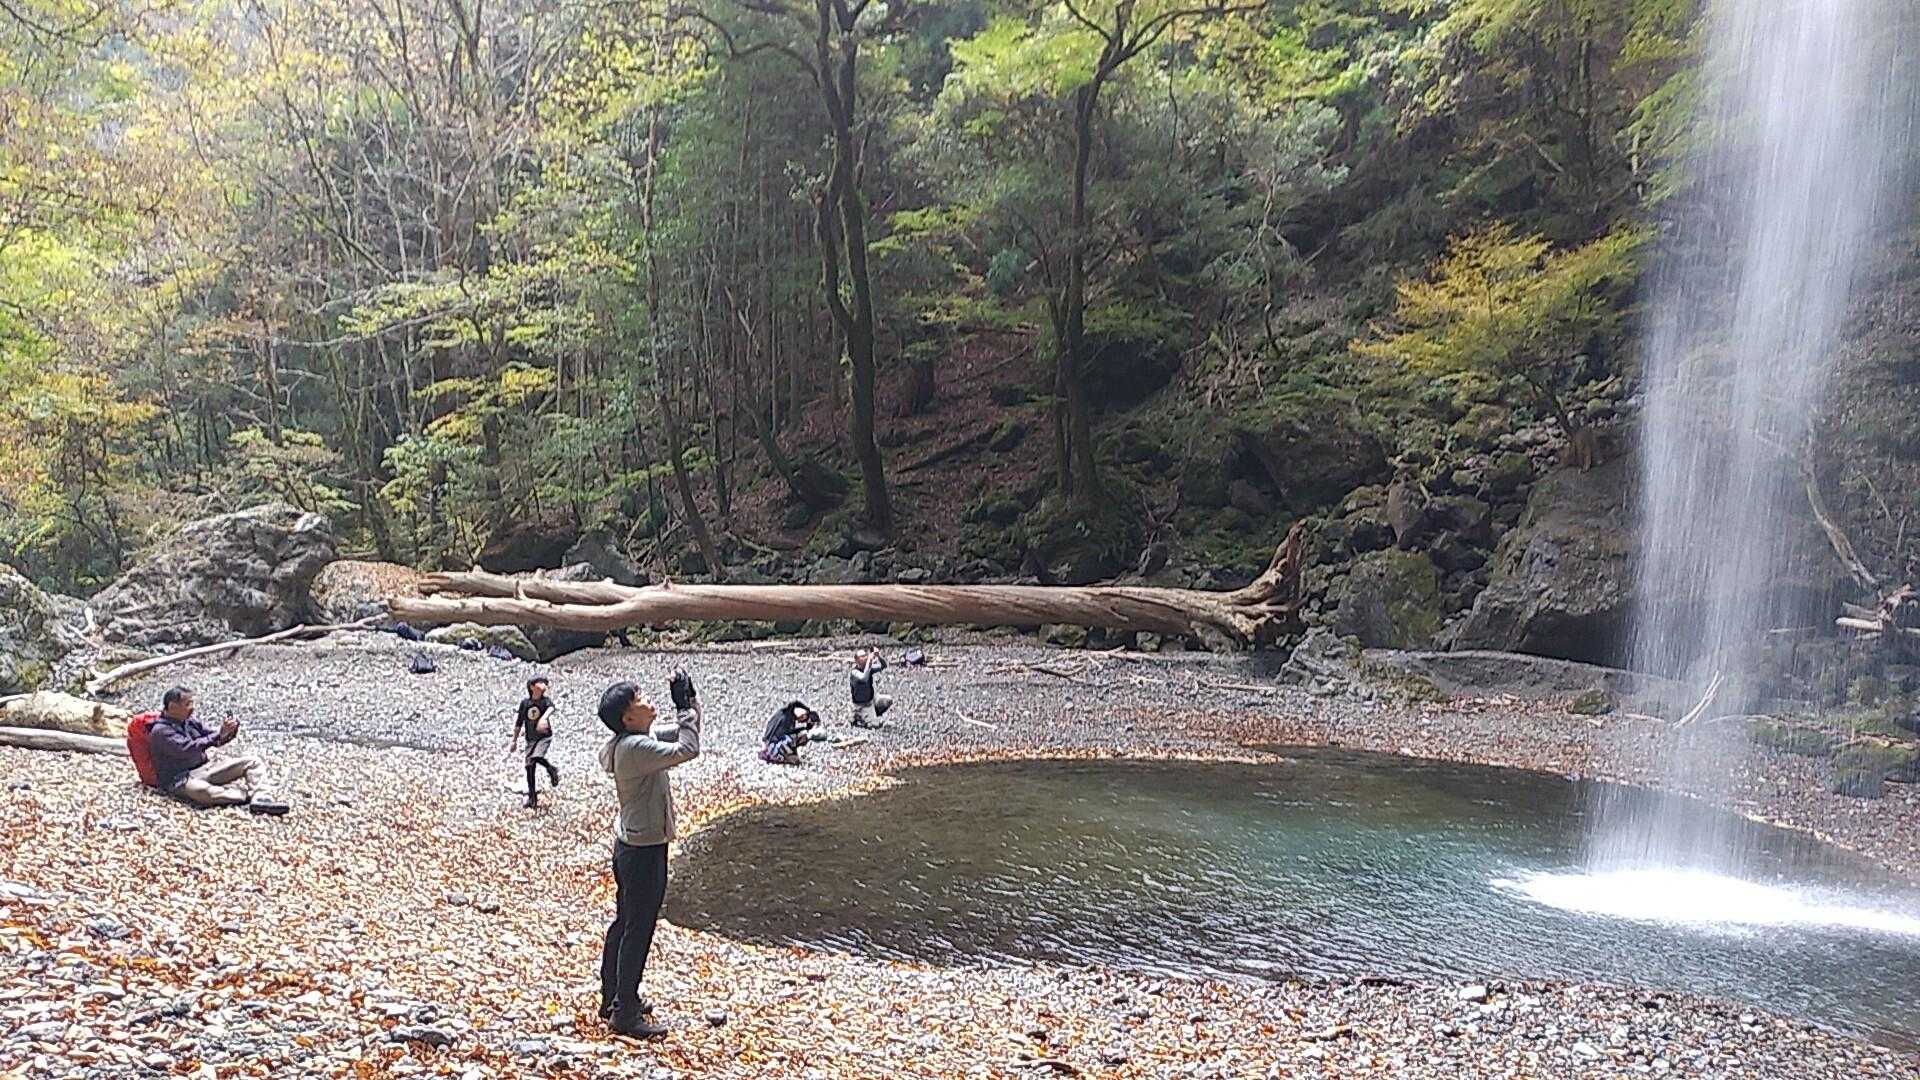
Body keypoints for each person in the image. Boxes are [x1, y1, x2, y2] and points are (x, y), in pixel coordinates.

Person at [596, 669, 701, 1039]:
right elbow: (689, 750)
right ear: (627, 718)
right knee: (638, 928)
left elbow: (686, 735)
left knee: (625, 921)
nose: (646, 699)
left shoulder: (637, 740)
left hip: (631, 844)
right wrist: (683, 708)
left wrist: (690, 701)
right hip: (643, 850)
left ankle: (613, 997)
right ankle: (625, 1012)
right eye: (638, 699)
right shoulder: (635, 749)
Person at [147, 686, 282, 814]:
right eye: (187, 704)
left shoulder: (189, 721)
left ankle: (261, 796)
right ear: (172, 706)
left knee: (252, 762)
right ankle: (244, 796)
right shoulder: (161, 731)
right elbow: (188, 749)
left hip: (204, 768)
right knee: (203, 792)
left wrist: (228, 732)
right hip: (180, 780)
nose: (192, 708)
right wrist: (218, 735)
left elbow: (213, 738)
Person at [509, 677, 560, 808]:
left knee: (536, 757)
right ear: (532, 687)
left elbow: (551, 708)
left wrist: (544, 718)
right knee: (529, 767)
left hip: (543, 737)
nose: (543, 685)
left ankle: (551, 769)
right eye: (540, 683)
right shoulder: (525, 703)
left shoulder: (545, 701)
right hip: (530, 739)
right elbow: (519, 723)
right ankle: (532, 798)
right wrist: (514, 740)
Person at [848, 648, 892, 728]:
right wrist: (869, 661)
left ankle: (874, 713)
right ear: (857, 660)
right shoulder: (854, 672)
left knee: (888, 700)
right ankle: (859, 715)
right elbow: (864, 678)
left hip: (872, 700)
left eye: (865, 655)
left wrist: (878, 656)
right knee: (874, 725)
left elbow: (883, 666)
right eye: (862, 656)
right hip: (861, 704)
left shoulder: (869, 668)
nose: (865, 657)